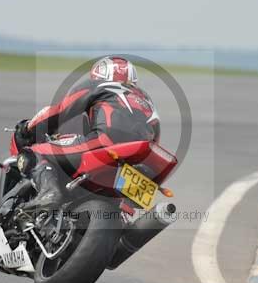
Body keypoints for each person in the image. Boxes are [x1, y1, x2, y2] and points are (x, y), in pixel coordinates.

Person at [13, 56, 160, 208]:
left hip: (104, 142)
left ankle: (49, 192)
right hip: (140, 158)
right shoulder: (145, 99)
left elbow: (61, 110)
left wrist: (28, 127)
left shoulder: (99, 85)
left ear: (100, 73)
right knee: (123, 209)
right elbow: (156, 133)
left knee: (33, 152)